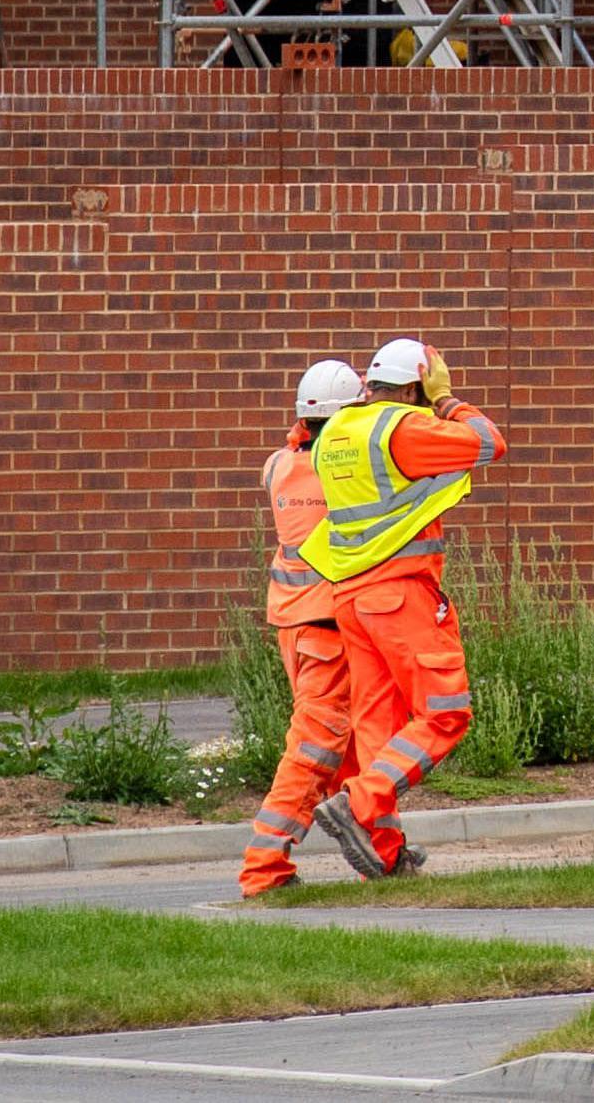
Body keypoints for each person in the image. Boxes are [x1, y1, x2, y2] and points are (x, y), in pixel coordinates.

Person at [306, 333, 503, 873]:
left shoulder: (338, 431)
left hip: (352, 598)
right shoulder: (406, 425)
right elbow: (489, 442)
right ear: (414, 386)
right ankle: (360, 803)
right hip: (399, 595)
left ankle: (384, 852)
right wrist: (447, 400)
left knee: (378, 730)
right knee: (445, 713)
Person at [234, 358, 398, 894]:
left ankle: (382, 852)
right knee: (315, 748)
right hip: (328, 626)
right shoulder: (344, 470)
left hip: (294, 625)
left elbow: (293, 452)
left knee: (355, 751)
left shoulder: (280, 464)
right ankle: (265, 867)